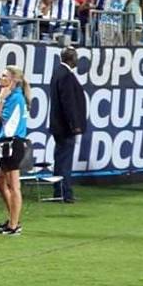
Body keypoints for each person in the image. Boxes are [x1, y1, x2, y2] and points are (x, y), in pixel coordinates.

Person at [0, 66, 31, 236]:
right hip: (6, 144)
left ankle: (14, 226)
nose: (0, 78)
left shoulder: (15, 98)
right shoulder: (13, 96)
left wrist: (0, 99)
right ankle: (13, 219)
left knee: (14, 186)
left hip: (12, 143)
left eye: (4, 76)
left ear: (13, 80)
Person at [47, 47, 87, 204]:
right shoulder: (66, 75)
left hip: (59, 125)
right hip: (65, 126)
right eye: (76, 57)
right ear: (71, 59)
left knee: (60, 159)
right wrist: (74, 124)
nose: (77, 59)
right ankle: (64, 193)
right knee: (65, 160)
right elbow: (68, 102)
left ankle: (60, 191)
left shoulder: (58, 72)